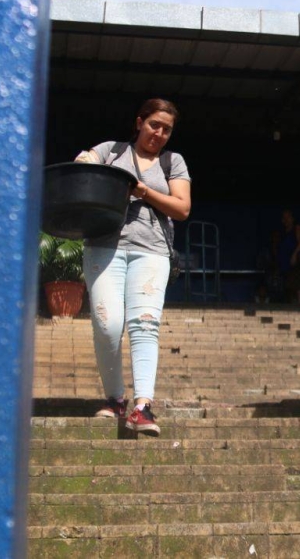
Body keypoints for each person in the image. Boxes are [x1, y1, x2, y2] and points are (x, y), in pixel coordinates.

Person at [73, 98, 192, 436]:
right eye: (154, 124)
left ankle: (142, 407)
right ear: (139, 122)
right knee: (107, 323)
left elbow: (182, 208)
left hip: (151, 251)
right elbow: (85, 162)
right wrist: (85, 159)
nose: (160, 133)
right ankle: (114, 399)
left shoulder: (172, 162)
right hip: (103, 246)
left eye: (167, 129)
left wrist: (141, 190)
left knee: (145, 324)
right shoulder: (111, 151)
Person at [275, 208, 300, 304]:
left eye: (288, 217)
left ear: (292, 218)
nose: (286, 220)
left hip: (298, 263)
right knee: (289, 287)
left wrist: (294, 255)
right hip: (287, 266)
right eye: (284, 218)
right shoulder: (283, 233)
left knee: (299, 286)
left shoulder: (297, 228)